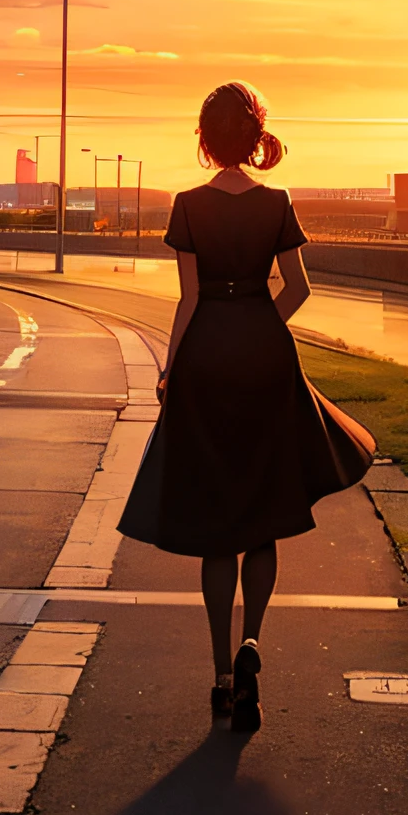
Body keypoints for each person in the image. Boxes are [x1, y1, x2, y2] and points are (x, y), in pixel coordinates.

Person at [117, 81, 375, 733]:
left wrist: (173, 369)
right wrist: (264, 325)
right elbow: (299, 288)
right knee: (262, 510)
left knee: (216, 521)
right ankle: (253, 641)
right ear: (255, 134)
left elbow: (188, 299)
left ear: (205, 140)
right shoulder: (278, 202)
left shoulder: (189, 206)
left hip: (206, 359)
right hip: (264, 355)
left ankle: (222, 676)